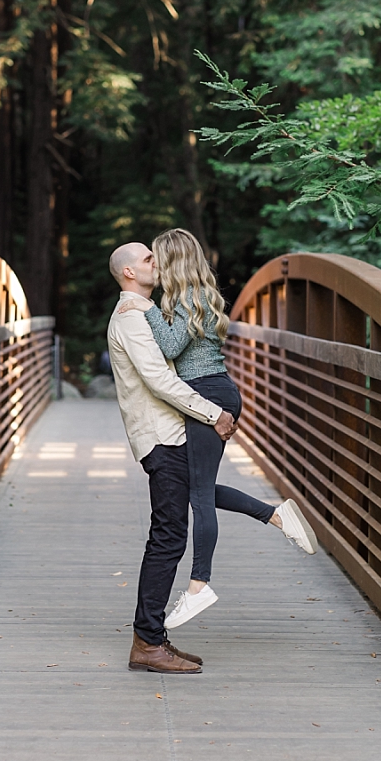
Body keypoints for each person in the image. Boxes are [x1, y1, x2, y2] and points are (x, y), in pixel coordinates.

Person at [116, 228, 317, 630]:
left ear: (173, 260)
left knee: (200, 494)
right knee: (197, 487)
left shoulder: (186, 299)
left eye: (156, 258)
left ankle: (199, 585)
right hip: (208, 392)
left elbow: (171, 349)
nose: (153, 264)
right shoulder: (187, 297)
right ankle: (274, 515)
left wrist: (144, 308)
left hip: (209, 393)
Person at [108, 241, 234, 674]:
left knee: (174, 529)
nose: (156, 263)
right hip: (162, 439)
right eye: (147, 259)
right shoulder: (131, 318)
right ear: (128, 273)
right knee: (167, 538)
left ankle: (153, 637)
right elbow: (160, 379)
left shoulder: (144, 313)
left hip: (169, 435)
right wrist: (212, 411)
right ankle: (147, 642)